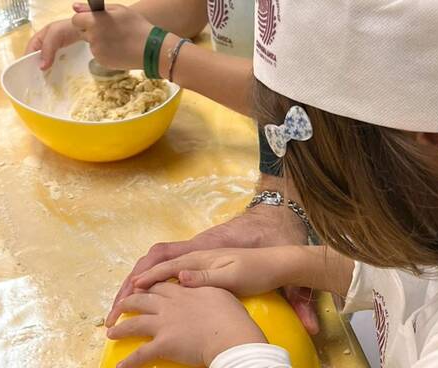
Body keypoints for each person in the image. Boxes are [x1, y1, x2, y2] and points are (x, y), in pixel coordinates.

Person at [100, 0, 438, 367]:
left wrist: (233, 347)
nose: (314, 196)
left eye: (323, 167)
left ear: (432, 138)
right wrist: (304, 263)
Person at [26, 0, 321, 334]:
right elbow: (204, 7)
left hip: (346, 193)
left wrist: (158, 51)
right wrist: (109, 31)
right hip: (288, 160)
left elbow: (317, 99)